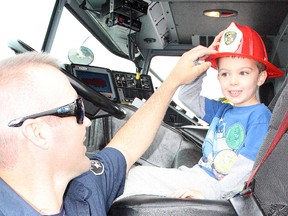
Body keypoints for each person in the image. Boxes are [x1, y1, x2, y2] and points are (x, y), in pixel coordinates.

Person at [0, 43, 216, 215]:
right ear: (38, 133)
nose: (87, 122)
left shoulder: (85, 185)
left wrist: (174, 81)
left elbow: (126, 147)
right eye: (77, 109)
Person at [119, 22, 284, 200]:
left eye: (243, 73)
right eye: (225, 73)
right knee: (135, 175)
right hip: (199, 175)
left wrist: (211, 193)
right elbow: (187, 96)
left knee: (135, 180)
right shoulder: (224, 110)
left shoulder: (260, 116)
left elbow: (245, 169)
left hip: (216, 187)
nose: (233, 81)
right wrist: (204, 61)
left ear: (261, 77)